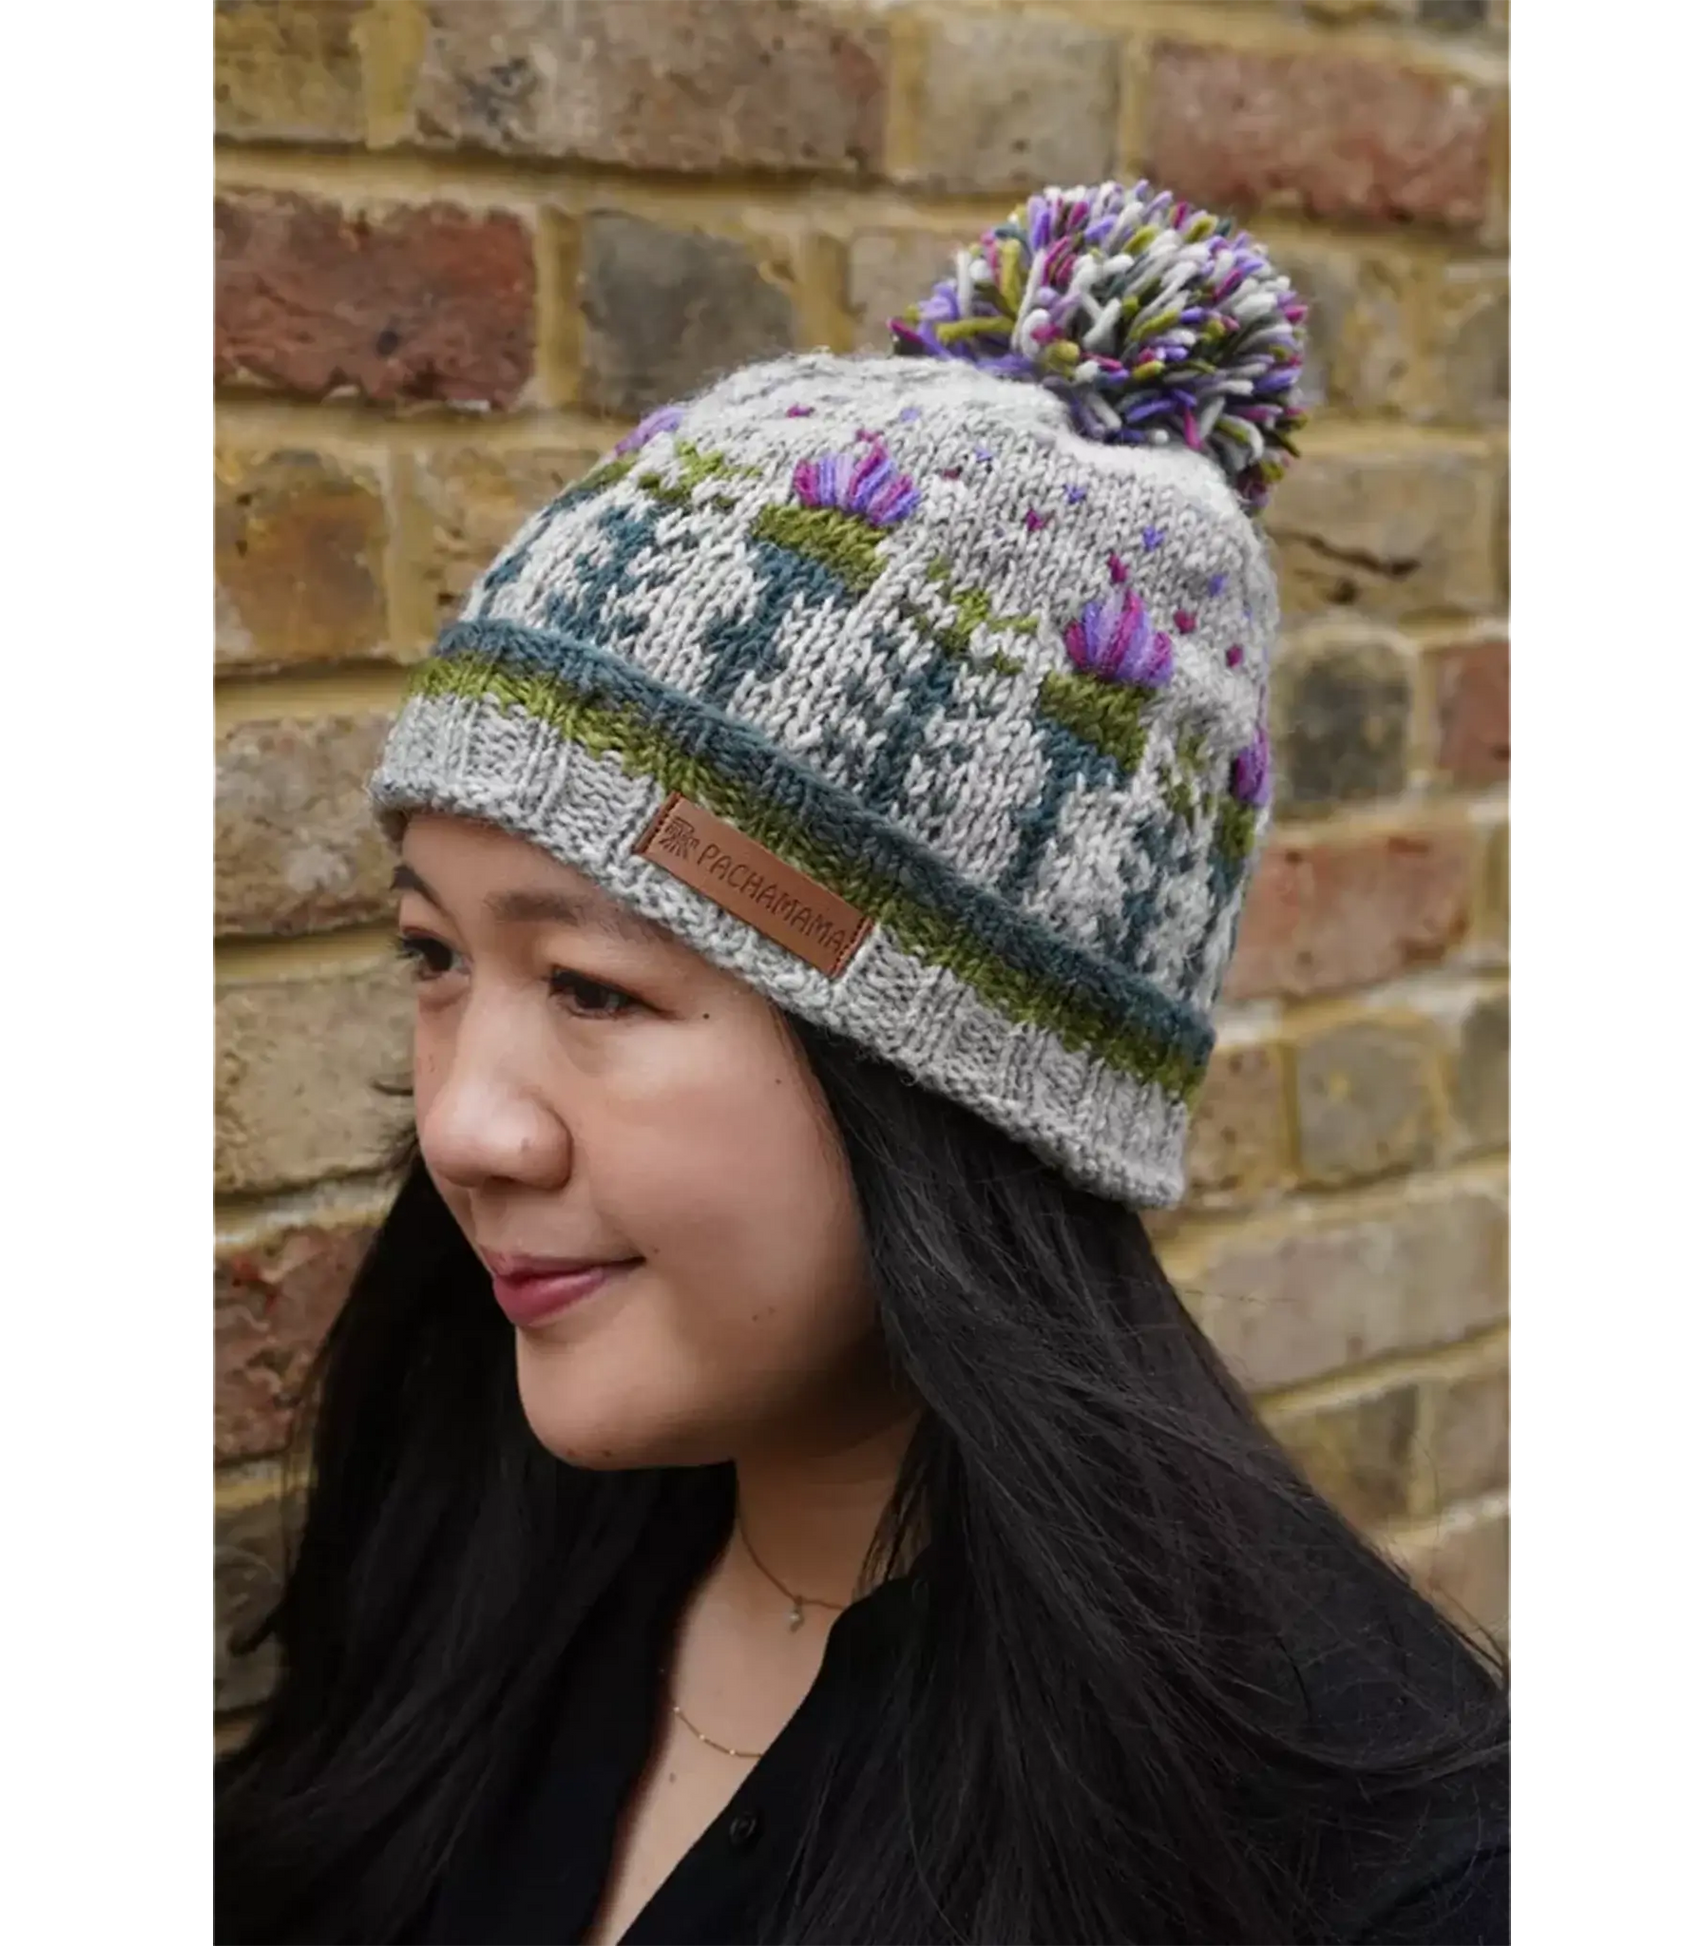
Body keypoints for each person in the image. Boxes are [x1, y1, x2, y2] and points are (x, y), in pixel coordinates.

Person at [212, 179, 1511, 1946]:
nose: (463, 1124)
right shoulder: (478, 1552)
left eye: (592, 986)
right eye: (435, 957)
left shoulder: (1355, 1862)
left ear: (956, 1081)